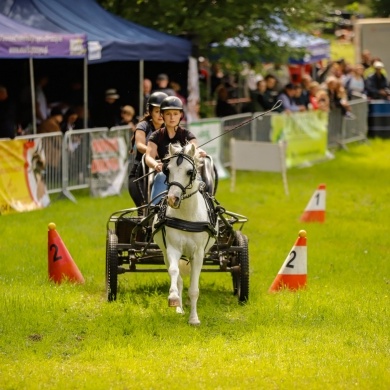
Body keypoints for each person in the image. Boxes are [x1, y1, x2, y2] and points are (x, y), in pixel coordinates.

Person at [145, 96, 206, 205]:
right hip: (166, 173)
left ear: (181, 115)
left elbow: (194, 147)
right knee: (160, 177)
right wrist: (155, 165)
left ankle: (207, 206)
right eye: (168, 114)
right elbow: (148, 157)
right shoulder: (156, 136)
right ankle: (153, 209)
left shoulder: (187, 134)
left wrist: (199, 151)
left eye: (175, 114)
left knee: (199, 180)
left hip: (185, 174)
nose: (172, 117)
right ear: (162, 115)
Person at [128, 92, 167, 208]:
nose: (160, 115)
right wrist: (155, 152)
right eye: (156, 111)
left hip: (162, 174)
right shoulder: (143, 126)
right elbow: (139, 146)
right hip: (140, 175)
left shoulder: (170, 128)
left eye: (163, 112)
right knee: (144, 210)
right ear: (150, 112)